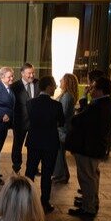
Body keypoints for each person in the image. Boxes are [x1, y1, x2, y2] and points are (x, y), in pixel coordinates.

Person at [66, 77, 111, 217]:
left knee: (87, 178)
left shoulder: (98, 106)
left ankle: (88, 208)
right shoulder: (106, 103)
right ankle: (92, 203)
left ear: (100, 91)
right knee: (92, 177)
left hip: (88, 148)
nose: (90, 90)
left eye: (93, 88)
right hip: (95, 147)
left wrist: (82, 101)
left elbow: (78, 120)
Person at [25, 76, 64, 213]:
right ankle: (44, 202)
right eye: (53, 86)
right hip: (50, 143)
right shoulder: (56, 105)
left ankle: (26, 201)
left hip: (34, 142)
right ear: (48, 87)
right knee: (47, 174)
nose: (55, 88)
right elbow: (62, 122)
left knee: (29, 172)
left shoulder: (30, 103)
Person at [10, 63, 38, 174]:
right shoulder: (15, 86)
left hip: (35, 122)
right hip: (20, 122)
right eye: (29, 73)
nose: (31, 75)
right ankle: (16, 165)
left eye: (33, 73)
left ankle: (33, 166)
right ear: (22, 73)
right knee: (17, 145)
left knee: (33, 145)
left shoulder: (38, 84)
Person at [52, 73, 79, 184]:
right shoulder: (67, 95)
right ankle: (63, 175)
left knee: (59, 153)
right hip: (63, 128)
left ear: (67, 82)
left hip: (62, 130)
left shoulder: (67, 96)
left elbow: (62, 114)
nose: (60, 80)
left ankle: (60, 175)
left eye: (62, 79)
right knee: (60, 153)